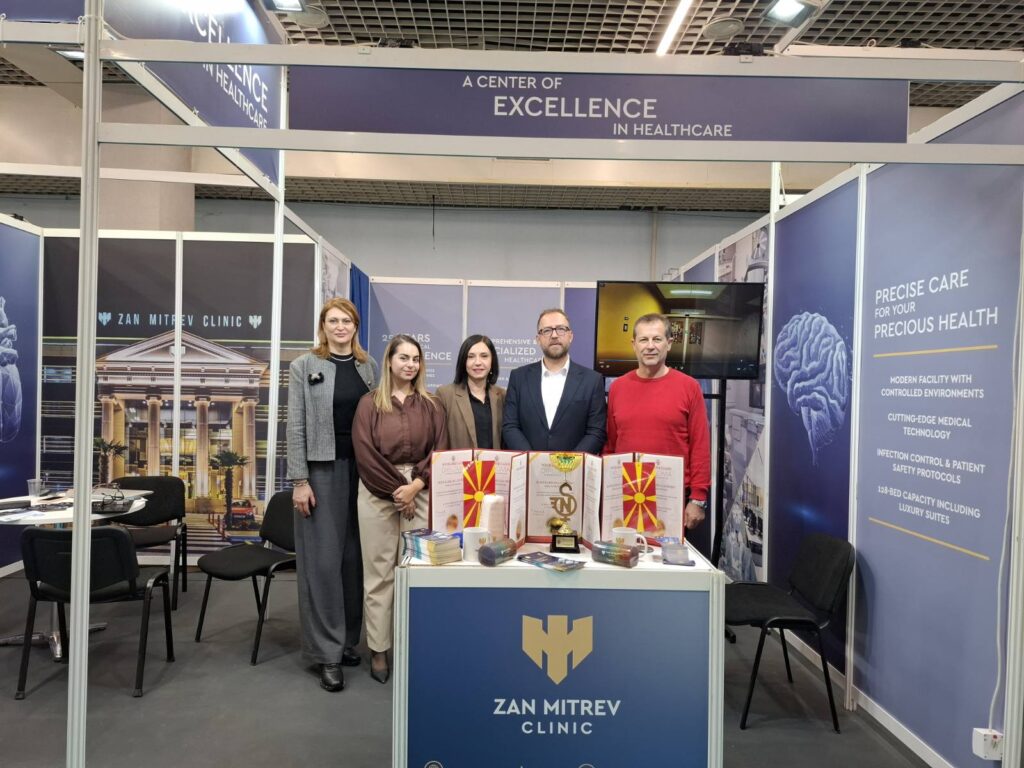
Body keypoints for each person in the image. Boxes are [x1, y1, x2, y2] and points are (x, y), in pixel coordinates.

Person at [287, 298, 378, 693]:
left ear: (356, 326)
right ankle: (326, 653)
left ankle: (346, 641)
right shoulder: (303, 366)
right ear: (323, 326)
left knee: (354, 560)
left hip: (364, 471)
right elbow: (295, 426)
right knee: (324, 563)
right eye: (333, 321)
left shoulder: (369, 367)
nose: (340, 327)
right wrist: (299, 480)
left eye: (347, 321)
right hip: (322, 472)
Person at [353, 334, 448, 684]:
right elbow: (365, 453)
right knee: (379, 573)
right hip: (378, 491)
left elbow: (440, 448)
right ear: (390, 361)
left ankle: (414, 645)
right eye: (403, 358)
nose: (410, 365)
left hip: (420, 490)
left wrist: (415, 487)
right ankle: (379, 649)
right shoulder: (369, 404)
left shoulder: (432, 405)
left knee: (416, 572)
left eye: (415, 359)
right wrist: (399, 491)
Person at [605, 312, 711, 529]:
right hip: (626, 494)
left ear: (669, 344)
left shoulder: (689, 387)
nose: (650, 346)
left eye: (657, 339)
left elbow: (700, 446)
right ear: (634, 345)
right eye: (644, 339)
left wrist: (698, 498)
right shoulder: (617, 388)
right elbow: (611, 445)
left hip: (673, 497)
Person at [501, 308, 606, 454]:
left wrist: (569, 462)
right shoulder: (519, 377)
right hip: (528, 465)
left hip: (574, 466)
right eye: (547, 331)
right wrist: (532, 460)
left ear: (570, 336)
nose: (554, 335)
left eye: (561, 329)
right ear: (538, 339)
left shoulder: (592, 381)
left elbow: (596, 431)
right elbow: (510, 426)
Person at [436, 335, 505, 450]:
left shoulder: (503, 396)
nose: (478, 362)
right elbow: (439, 442)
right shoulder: (445, 395)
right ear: (463, 361)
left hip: (495, 462)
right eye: (471, 356)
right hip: (459, 462)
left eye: (484, 356)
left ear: (492, 360)